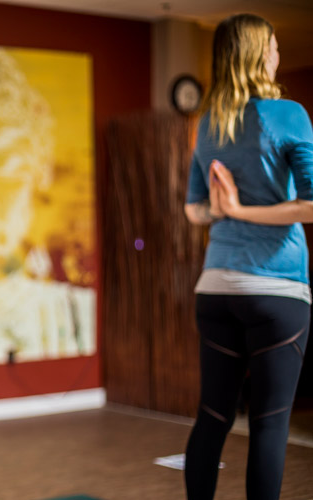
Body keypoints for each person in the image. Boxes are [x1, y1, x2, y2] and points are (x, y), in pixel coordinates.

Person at [183, 13, 313, 500]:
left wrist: (224, 209)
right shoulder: (290, 113)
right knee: (270, 423)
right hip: (276, 291)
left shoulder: (209, 123)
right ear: (261, 53)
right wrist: (242, 209)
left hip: (215, 288)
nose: (279, 53)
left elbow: (195, 210)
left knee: (213, 416)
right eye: (274, 46)